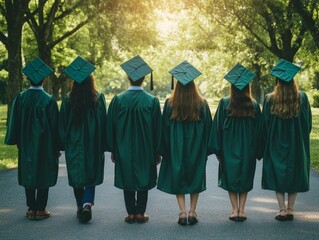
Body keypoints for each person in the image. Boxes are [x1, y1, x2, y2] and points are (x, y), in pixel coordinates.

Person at [107, 55, 162, 224]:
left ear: (128, 77)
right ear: (144, 79)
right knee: (144, 178)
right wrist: (158, 151)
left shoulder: (118, 100)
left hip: (123, 147)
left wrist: (113, 148)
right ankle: (140, 213)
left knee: (127, 177)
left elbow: (111, 127)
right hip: (146, 149)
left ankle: (131, 213)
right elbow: (158, 129)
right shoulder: (152, 101)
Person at [157, 61, 212, 225]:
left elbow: (164, 128)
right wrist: (206, 149)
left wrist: (165, 149)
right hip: (196, 147)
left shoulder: (170, 103)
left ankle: (182, 212)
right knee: (195, 176)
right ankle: (193, 211)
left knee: (178, 176)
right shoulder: (202, 103)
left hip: (177, 147)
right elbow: (209, 127)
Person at [5, 57, 59, 220]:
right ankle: (41, 209)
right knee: (44, 172)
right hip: (46, 144)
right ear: (44, 78)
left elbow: (13, 121)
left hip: (26, 142)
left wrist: (15, 140)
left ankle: (31, 208)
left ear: (28, 78)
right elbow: (55, 126)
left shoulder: (20, 98)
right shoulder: (49, 100)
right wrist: (57, 146)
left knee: (29, 171)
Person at [261, 59, 312, 221]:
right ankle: (291, 208)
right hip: (296, 143)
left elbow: (265, 125)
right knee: (294, 172)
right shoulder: (302, 98)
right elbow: (308, 124)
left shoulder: (270, 99)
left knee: (278, 173)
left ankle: (281, 209)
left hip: (276, 143)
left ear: (277, 81)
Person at [210, 63, 261, 222]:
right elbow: (260, 130)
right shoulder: (253, 104)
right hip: (248, 148)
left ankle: (234, 210)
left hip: (228, 147)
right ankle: (242, 210)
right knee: (245, 176)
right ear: (248, 86)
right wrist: (258, 150)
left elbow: (216, 127)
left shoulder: (225, 103)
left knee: (230, 176)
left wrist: (217, 149)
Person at [59, 56, 107, 223]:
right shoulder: (98, 98)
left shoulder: (67, 98)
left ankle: (80, 205)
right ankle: (87, 203)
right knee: (90, 174)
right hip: (93, 143)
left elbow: (62, 123)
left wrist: (61, 144)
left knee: (77, 175)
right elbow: (103, 122)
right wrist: (104, 143)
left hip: (74, 143)